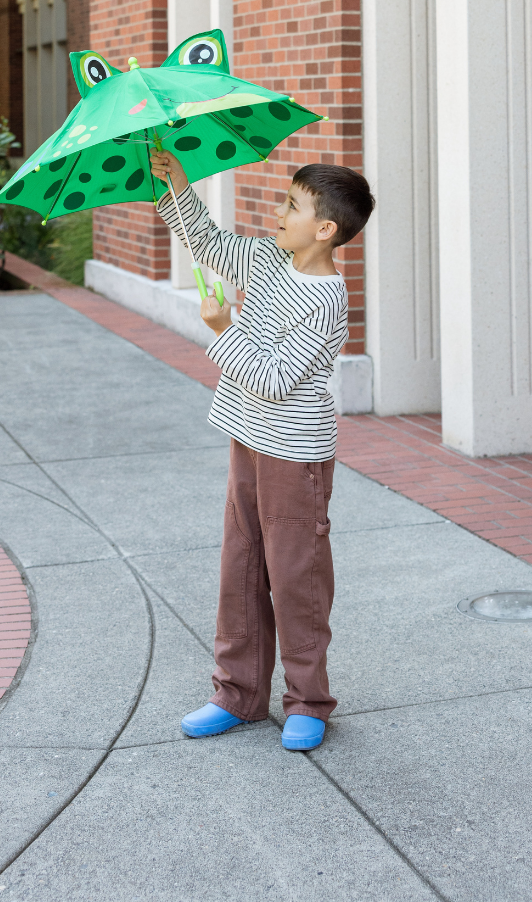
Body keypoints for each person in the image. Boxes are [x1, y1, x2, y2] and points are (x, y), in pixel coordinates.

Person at [149, 149, 375, 751]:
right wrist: (176, 183)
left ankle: (308, 700)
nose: (279, 212)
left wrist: (222, 330)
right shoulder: (271, 258)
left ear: (325, 230)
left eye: (292, 206)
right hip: (247, 438)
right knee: (241, 566)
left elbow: (274, 379)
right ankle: (237, 693)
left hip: (294, 454)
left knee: (295, 575)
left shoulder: (326, 300)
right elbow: (209, 243)